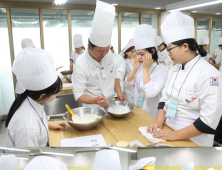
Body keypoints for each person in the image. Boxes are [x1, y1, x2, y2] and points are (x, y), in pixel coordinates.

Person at [147, 10, 222, 147]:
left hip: (194, 141)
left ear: (185, 46)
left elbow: (208, 120)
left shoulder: (209, 74)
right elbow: (164, 100)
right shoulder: (174, 69)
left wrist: (175, 135)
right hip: (168, 130)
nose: (168, 54)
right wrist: (159, 122)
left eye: (170, 49)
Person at [6, 48, 66, 147]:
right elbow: (29, 159)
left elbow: (38, 121)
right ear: (43, 95)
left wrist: (49, 125)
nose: (57, 94)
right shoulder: (27, 128)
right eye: (56, 92)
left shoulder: (32, 101)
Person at [72, 0, 126, 110]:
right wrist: (96, 100)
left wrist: (119, 91)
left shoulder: (108, 55)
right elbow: (78, 94)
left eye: (107, 49)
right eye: (100, 51)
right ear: (89, 46)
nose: (104, 53)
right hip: (92, 109)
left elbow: (114, 75)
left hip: (110, 106)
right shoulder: (81, 65)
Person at [125, 24, 168, 118]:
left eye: (142, 54)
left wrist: (145, 69)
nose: (139, 57)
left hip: (151, 114)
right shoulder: (140, 67)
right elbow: (127, 85)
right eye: (137, 54)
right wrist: (135, 68)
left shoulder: (162, 70)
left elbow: (150, 93)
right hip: (137, 110)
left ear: (152, 52)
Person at [122, 39, 136, 104]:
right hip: (128, 87)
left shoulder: (137, 60)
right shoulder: (123, 62)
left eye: (134, 51)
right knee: (130, 103)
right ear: (126, 52)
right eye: (131, 52)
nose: (133, 53)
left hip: (136, 86)